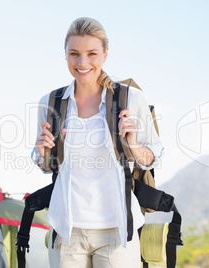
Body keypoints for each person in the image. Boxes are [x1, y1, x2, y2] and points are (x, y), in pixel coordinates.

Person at [31, 17, 164, 267]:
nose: (82, 63)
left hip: (117, 232)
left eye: (92, 53)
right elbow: (47, 165)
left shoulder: (130, 98)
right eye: (74, 54)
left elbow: (153, 156)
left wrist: (134, 145)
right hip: (66, 230)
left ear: (105, 53)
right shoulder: (50, 103)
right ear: (66, 54)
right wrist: (42, 153)